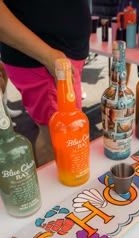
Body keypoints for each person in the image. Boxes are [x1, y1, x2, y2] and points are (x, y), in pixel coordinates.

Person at [0, 0, 91, 165]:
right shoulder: (49, 58)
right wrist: (47, 55)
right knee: (57, 138)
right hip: (44, 58)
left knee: (64, 134)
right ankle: (61, 190)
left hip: (60, 55)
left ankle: (65, 186)